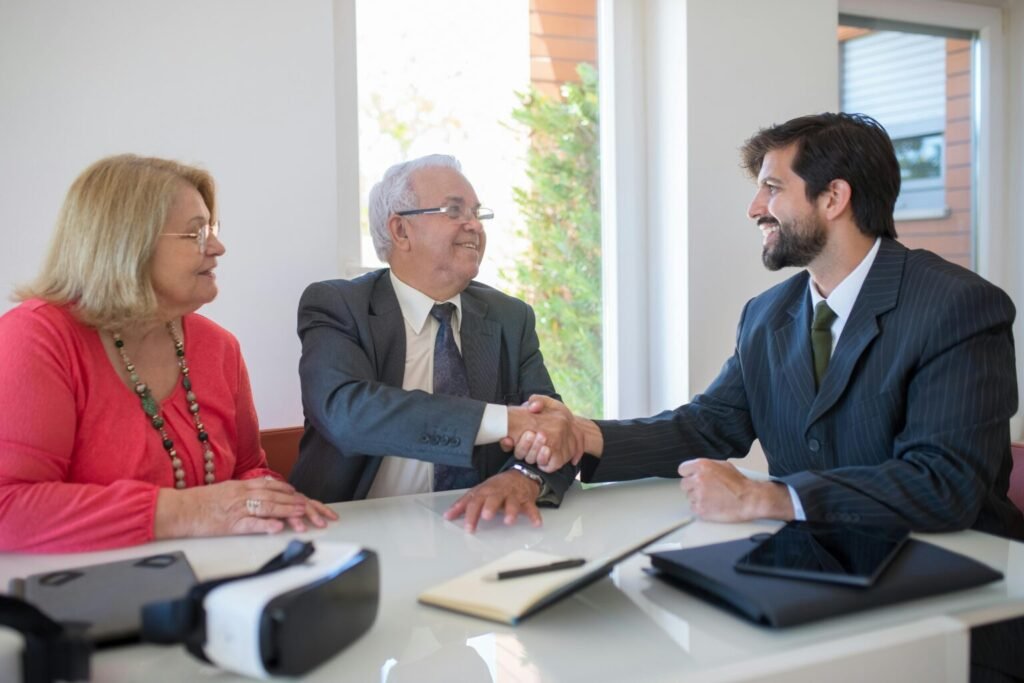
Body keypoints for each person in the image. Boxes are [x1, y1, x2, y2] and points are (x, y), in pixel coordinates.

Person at [512, 113, 1024, 681]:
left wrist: (768, 497)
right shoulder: (767, 315)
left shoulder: (958, 306)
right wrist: (584, 434)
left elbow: (942, 483)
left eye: (773, 187)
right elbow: (709, 425)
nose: (755, 207)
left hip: (956, 610)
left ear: (834, 197)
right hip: (812, 592)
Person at [0, 155, 337, 553]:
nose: (218, 247)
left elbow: (248, 470)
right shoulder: (36, 337)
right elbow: (9, 508)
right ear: (126, 244)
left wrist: (274, 502)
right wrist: (192, 511)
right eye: (195, 233)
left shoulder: (219, 347)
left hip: (218, 575)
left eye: (212, 229)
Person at [291, 154, 579, 532]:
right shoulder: (339, 306)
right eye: (454, 210)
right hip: (348, 531)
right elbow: (348, 413)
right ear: (401, 231)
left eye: (477, 212)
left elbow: (557, 430)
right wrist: (504, 421)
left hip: (480, 532)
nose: (474, 225)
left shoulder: (510, 318)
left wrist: (523, 477)